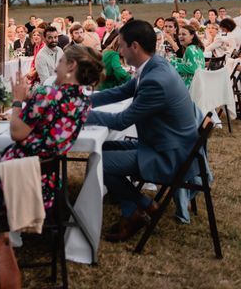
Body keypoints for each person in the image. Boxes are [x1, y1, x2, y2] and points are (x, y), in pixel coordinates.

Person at [0, 45, 104, 234]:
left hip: (22, 176)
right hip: (49, 177)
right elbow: (48, 122)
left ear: (72, 66)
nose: (57, 68)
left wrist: (17, 100)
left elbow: (16, 133)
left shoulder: (48, 94)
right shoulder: (83, 101)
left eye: (61, 62)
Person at [87, 20, 202, 242]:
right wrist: (81, 101)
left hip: (170, 156)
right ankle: (133, 213)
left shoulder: (155, 80)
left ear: (135, 46)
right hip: (167, 144)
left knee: (98, 162)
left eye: (121, 45)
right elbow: (120, 92)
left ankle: (144, 207)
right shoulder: (154, 65)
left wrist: (80, 115)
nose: (118, 50)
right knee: (104, 146)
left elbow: (122, 121)